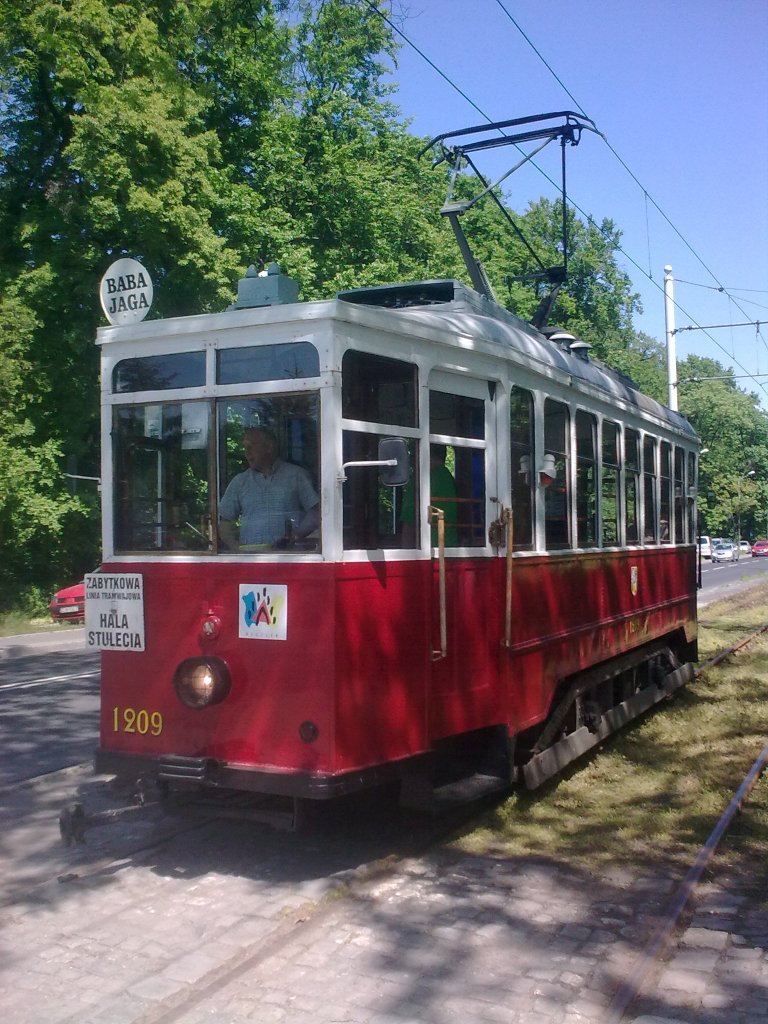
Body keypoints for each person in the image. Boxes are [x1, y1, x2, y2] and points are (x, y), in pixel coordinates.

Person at [218, 427, 319, 550]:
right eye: (245, 448)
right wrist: (236, 549)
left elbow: (316, 513)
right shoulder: (239, 482)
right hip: (249, 562)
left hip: (289, 559)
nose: (246, 452)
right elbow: (225, 523)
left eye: (251, 447)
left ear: (269, 447)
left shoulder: (296, 475)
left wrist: (295, 535)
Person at [400, 443, 459, 546]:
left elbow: (409, 521)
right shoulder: (448, 478)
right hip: (451, 546)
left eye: (413, 454)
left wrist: (405, 551)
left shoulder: (420, 480)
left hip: (427, 547)